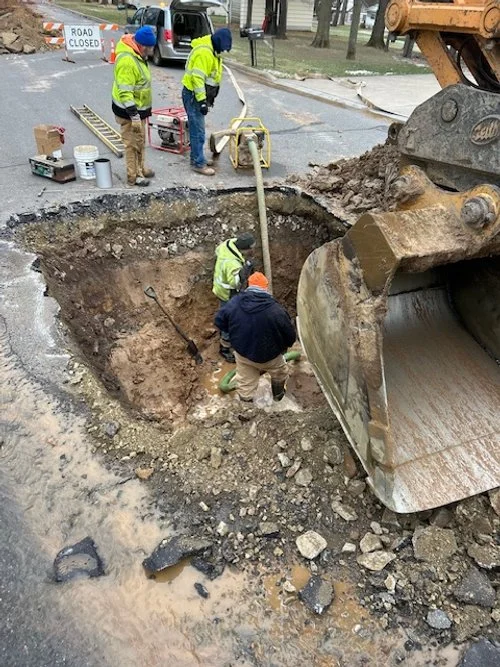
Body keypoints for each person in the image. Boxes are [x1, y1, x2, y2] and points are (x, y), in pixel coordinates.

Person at [215, 272, 296, 403]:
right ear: (266, 288)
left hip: (243, 355)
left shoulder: (235, 303)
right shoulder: (276, 310)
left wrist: (230, 337)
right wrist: (284, 347)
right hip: (270, 357)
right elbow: (290, 336)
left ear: (249, 285)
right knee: (280, 373)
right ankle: (278, 395)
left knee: (245, 384)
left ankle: (247, 409)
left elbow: (219, 320)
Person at [181, 27, 232, 176]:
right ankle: (198, 163)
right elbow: (197, 78)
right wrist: (202, 100)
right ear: (218, 43)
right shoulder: (204, 53)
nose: (223, 52)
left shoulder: (213, 52)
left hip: (197, 96)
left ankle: (197, 158)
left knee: (198, 129)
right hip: (194, 96)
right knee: (198, 131)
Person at [112, 26, 156, 187]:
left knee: (140, 140)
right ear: (143, 46)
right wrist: (134, 115)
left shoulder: (138, 55)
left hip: (139, 111)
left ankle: (141, 168)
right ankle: (133, 176)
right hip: (128, 111)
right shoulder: (127, 61)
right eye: (150, 48)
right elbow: (125, 92)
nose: (152, 52)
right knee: (131, 144)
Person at [212, 232, 255, 363]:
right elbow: (235, 283)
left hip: (221, 288)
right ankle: (224, 348)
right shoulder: (232, 264)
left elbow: (217, 250)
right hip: (227, 293)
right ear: (244, 249)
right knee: (229, 319)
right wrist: (245, 270)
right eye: (250, 248)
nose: (252, 250)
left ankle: (232, 336)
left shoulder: (228, 244)